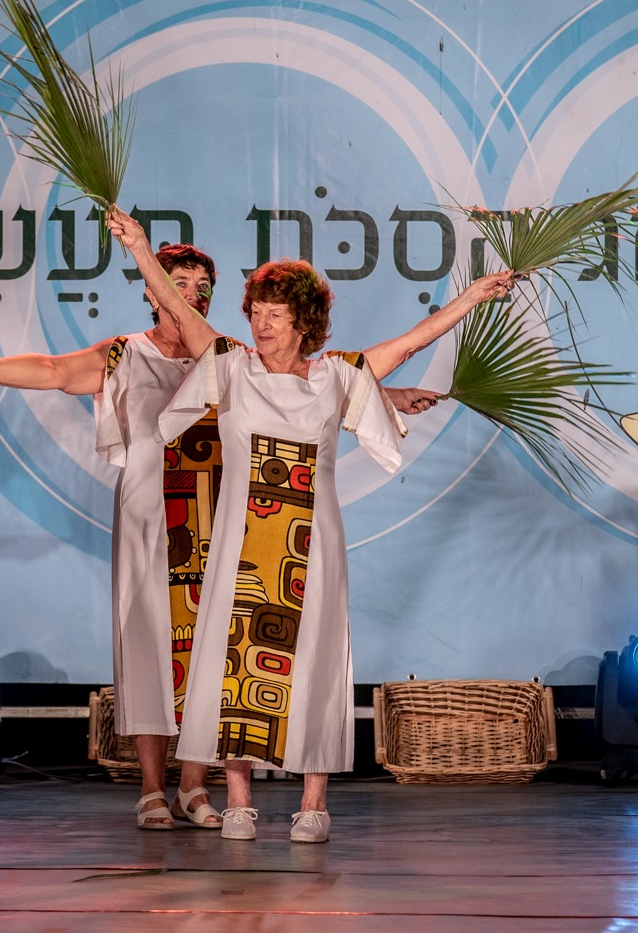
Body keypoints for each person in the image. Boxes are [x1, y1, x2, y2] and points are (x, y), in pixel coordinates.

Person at [0, 241, 440, 832]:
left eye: (202, 287)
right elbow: (53, 370)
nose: (192, 295)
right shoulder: (126, 354)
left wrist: (389, 397)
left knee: (214, 655)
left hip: (220, 517)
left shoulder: (227, 354)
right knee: (151, 645)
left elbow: (296, 393)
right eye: (179, 284)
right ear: (154, 291)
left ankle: (195, 785)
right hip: (154, 517)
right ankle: (153, 787)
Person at [107, 207, 514, 843]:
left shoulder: (338, 376)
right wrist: (137, 245)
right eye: (256, 311)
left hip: (310, 545)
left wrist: (472, 296)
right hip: (241, 542)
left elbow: (412, 341)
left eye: (275, 313)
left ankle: (313, 802)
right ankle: (239, 799)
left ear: (304, 322)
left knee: (315, 662)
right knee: (232, 662)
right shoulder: (229, 366)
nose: (261, 323)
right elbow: (180, 314)